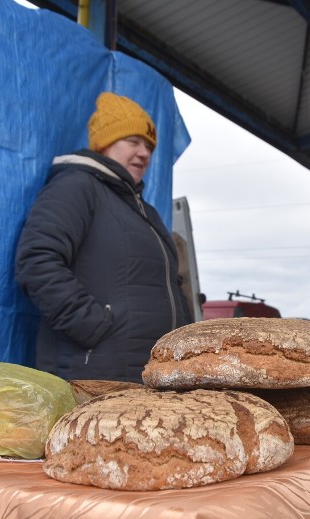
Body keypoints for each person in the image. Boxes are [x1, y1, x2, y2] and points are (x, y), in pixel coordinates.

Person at [15, 92, 192, 383]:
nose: (144, 153)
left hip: (150, 375)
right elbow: (36, 260)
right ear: (104, 143)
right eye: (133, 142)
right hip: (96, 375)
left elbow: (172, 286)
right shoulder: (76, 186)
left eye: (149, 146)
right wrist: (94, 329)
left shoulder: (145, 212)